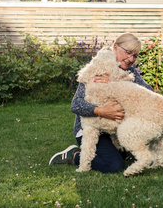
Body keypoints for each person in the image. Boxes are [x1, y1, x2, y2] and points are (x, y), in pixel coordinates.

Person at [49, 33, 154, 173]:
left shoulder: (130, 71)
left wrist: (118, 81)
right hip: (93, 128)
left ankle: (120, 150)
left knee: (142, 157)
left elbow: (151, 94)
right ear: (115, 47)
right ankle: (74, 155)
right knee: (114, 166)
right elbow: (76, 105)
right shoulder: (96, 68)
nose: (130, 59)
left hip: (118, 129)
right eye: (128, 52)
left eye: (135, 56)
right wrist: (101, 111)